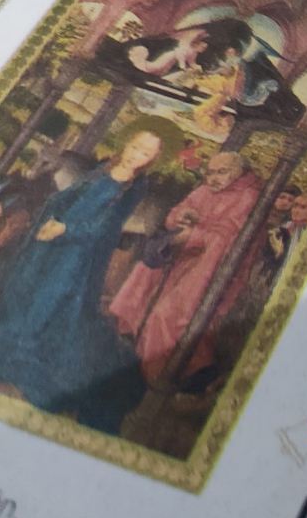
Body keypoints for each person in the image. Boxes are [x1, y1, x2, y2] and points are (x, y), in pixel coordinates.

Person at [0, 123, 165, 432]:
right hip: (49, 242)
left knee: (51, 303)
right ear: (127, 143)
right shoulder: (107, 167)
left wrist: (67, 229)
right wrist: (50, 218)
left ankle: (31, 367)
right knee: (22, 292)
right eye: (135, 146)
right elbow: (71, 197)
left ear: (152, 159)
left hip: (77, 253)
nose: (136, 155)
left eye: (145, 153)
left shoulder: (132, 185)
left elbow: (107, 226)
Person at [110, 151, 263, 387]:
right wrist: (181, 217)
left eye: (221, 172)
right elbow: (176, 213)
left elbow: (230, 239)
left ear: (239, 173)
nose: (213, 178)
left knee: (169, 315)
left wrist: (193, 236)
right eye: (210, 172)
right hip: (182, 258)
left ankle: (163, 374)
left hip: (211, 269)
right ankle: (129, 347)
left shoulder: (248, 197)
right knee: (141, 281)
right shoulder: (206, 189)